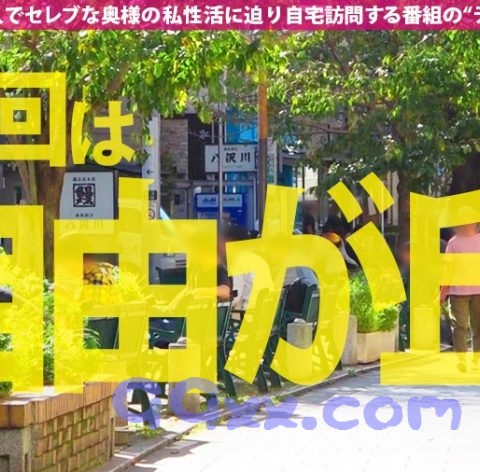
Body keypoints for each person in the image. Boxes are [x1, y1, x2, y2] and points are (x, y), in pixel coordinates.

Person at [441, 218, 480, 369]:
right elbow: (447, 269)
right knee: (459, 326)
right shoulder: (453, 243)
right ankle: (461, 360)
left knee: (478, 327)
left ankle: (476, 360)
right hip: (458, 292)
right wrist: (443, 292)